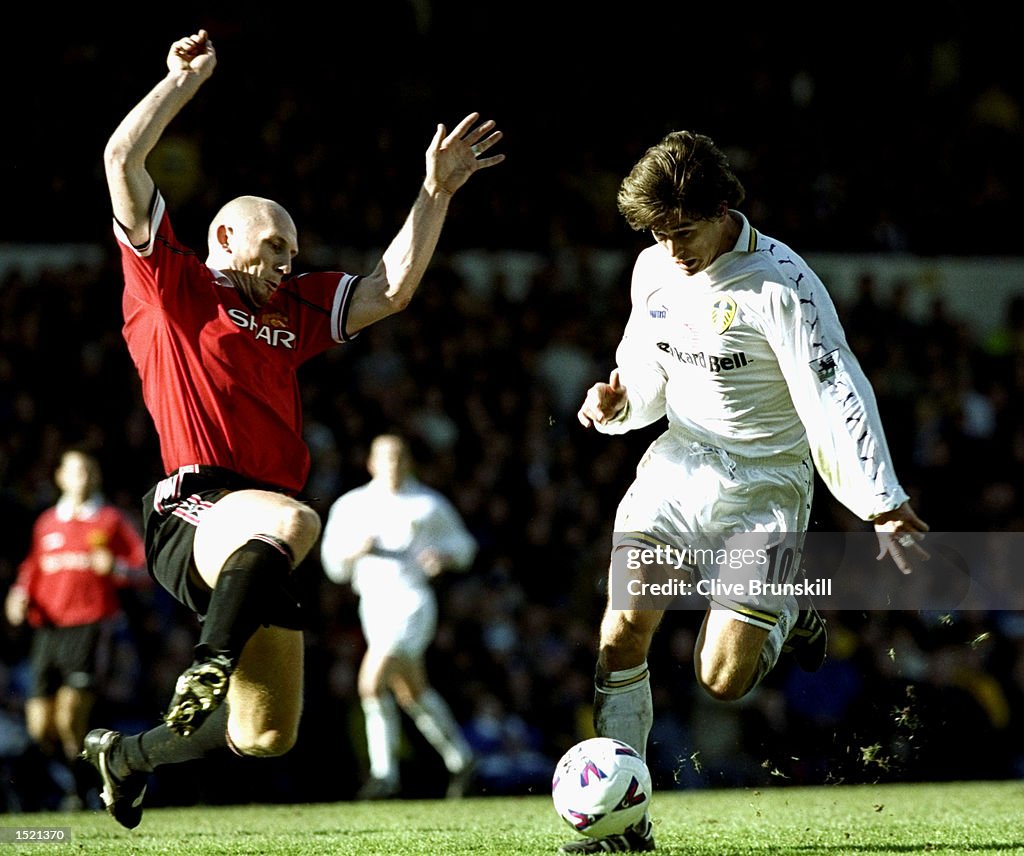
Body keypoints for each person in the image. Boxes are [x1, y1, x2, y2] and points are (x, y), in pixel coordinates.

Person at [80, 29, 503, 830]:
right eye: (274, 244)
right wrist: (178, 85)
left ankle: (125, 758)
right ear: (226, 238)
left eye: (294, 250)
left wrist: (435, 191)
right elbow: (119, 162)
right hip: (195, 508)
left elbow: (390, 289)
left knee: (265, 734)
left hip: (265, 536)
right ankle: (208, 657)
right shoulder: (172, 282)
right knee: (293, 517)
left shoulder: (293, 308)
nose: (286, 259)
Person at [572, 130, 929, 853]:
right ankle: (623, 825)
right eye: (658, 232)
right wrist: (618, 405)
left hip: (766, 484)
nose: (671, 249)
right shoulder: (652, 272)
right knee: (620, 634)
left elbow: (835, 392)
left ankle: (792, 612)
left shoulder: (781, 285)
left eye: (684, 230)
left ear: (726, 206)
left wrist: (881, 500)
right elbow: (645, 371)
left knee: (721, 680)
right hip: (678, 468)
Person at [320, 434, 478, 799]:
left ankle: (384, 776)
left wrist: (443, 557)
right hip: (373, 604)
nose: (393, 463)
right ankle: (461, 760)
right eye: (386, 457)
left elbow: (464, 547)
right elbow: (333, 565)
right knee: (410, 691)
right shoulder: (352, 506)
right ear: (372, 463)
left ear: (409, 461)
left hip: (412, 601)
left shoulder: (427, 504)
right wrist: (351, 552)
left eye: (400, 457)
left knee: (371, 681)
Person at [4, 449, 147, 810]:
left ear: (94, 476)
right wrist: (18, 595)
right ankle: (85, 780)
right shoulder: (47, 522)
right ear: (60, 477)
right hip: (48, 629)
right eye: (74, 469)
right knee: (39, 727)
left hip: (89, 626)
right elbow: (32, 569)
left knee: (71, 718)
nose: (80, 476)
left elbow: (144, 566)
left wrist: (115, 566)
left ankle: (78, 794)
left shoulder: (110, 520)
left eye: (87, 469)